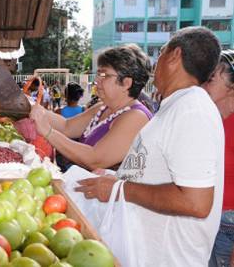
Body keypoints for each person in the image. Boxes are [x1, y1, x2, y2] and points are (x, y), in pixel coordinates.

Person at [75, 27, 223, 266]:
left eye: (162, 53)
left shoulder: (192, 110)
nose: (156, 63)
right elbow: (156, 173)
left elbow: (196, 202)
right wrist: (116, 177)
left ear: (174, 56)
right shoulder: (176, 106)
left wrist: (121, 189)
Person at [29, 43, 153, 171]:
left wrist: (48, 131)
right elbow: (66, 126)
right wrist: (30, 106)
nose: (97, 80)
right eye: (98, 75)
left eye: (104, 75)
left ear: (126, 83)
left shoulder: (136, 117)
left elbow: (95, 159)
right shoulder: (103, 107)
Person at [203, 50, 234, 267]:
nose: (203, 83)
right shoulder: (207, 118)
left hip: (228, 227)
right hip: (205, 222)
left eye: (211, 78)